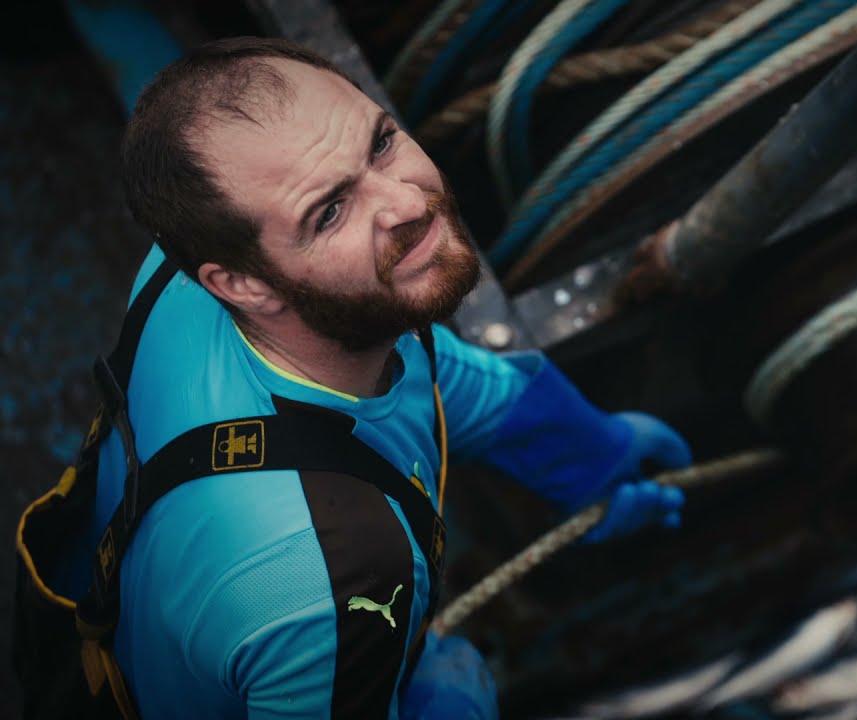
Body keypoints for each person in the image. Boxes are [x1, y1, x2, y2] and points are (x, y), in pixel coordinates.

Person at [24, 37, 690, 719]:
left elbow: (410, 363)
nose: (404, 203)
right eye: (331, 211)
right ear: (241, 284)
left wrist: (581, 449)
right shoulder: (334, 585)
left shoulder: (184, 270)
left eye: (380, 143)